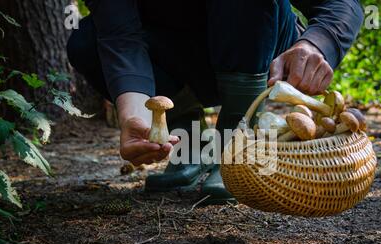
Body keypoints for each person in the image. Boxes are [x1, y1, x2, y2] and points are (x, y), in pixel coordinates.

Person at [67, 0, 364, 204]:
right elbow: (119, 37)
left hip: (259, 43)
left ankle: (236, 145)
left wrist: (313, 44)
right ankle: (187, 142)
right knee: (85, 40)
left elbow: (341, 4)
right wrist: (136, 117)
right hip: (177, 56)